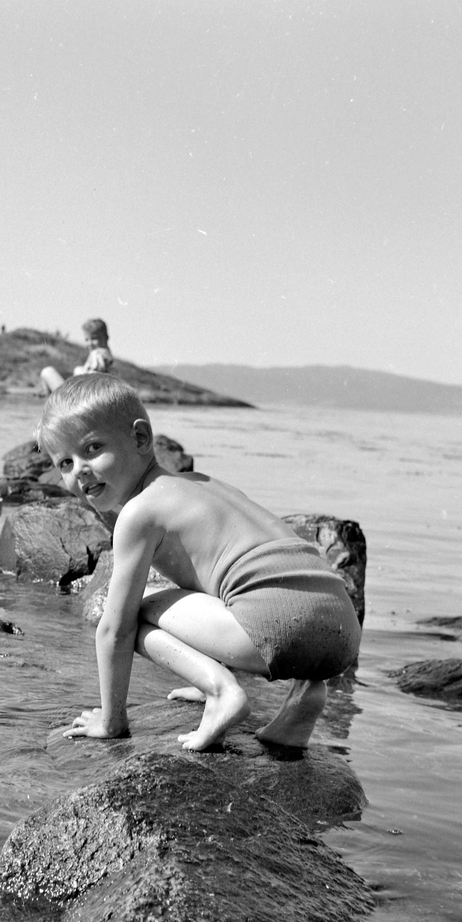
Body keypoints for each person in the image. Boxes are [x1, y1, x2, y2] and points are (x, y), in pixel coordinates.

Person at [36, 373, 361, 751]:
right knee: (220, 590)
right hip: (341, 627)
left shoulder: (140, 513)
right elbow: (215, 584)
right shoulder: (201, 484)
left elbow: (115, 631)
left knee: (137, 611)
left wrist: (111, 721)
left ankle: (221, 691)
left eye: (92, 449)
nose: (79, 470)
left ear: (141, 439)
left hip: (279, 627)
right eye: (64, 462)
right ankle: (306, 694)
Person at [40, 318, 115, 395]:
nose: (90, 343)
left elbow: (96, 372)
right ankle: (45, 393)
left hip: (78, 398)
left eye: (94, 338)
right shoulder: (102, 353)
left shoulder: (98, 354)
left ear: (106, 338)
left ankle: (46, 394)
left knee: (47, 371)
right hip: (80, 395)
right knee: (50, 372)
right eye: (87, 340)